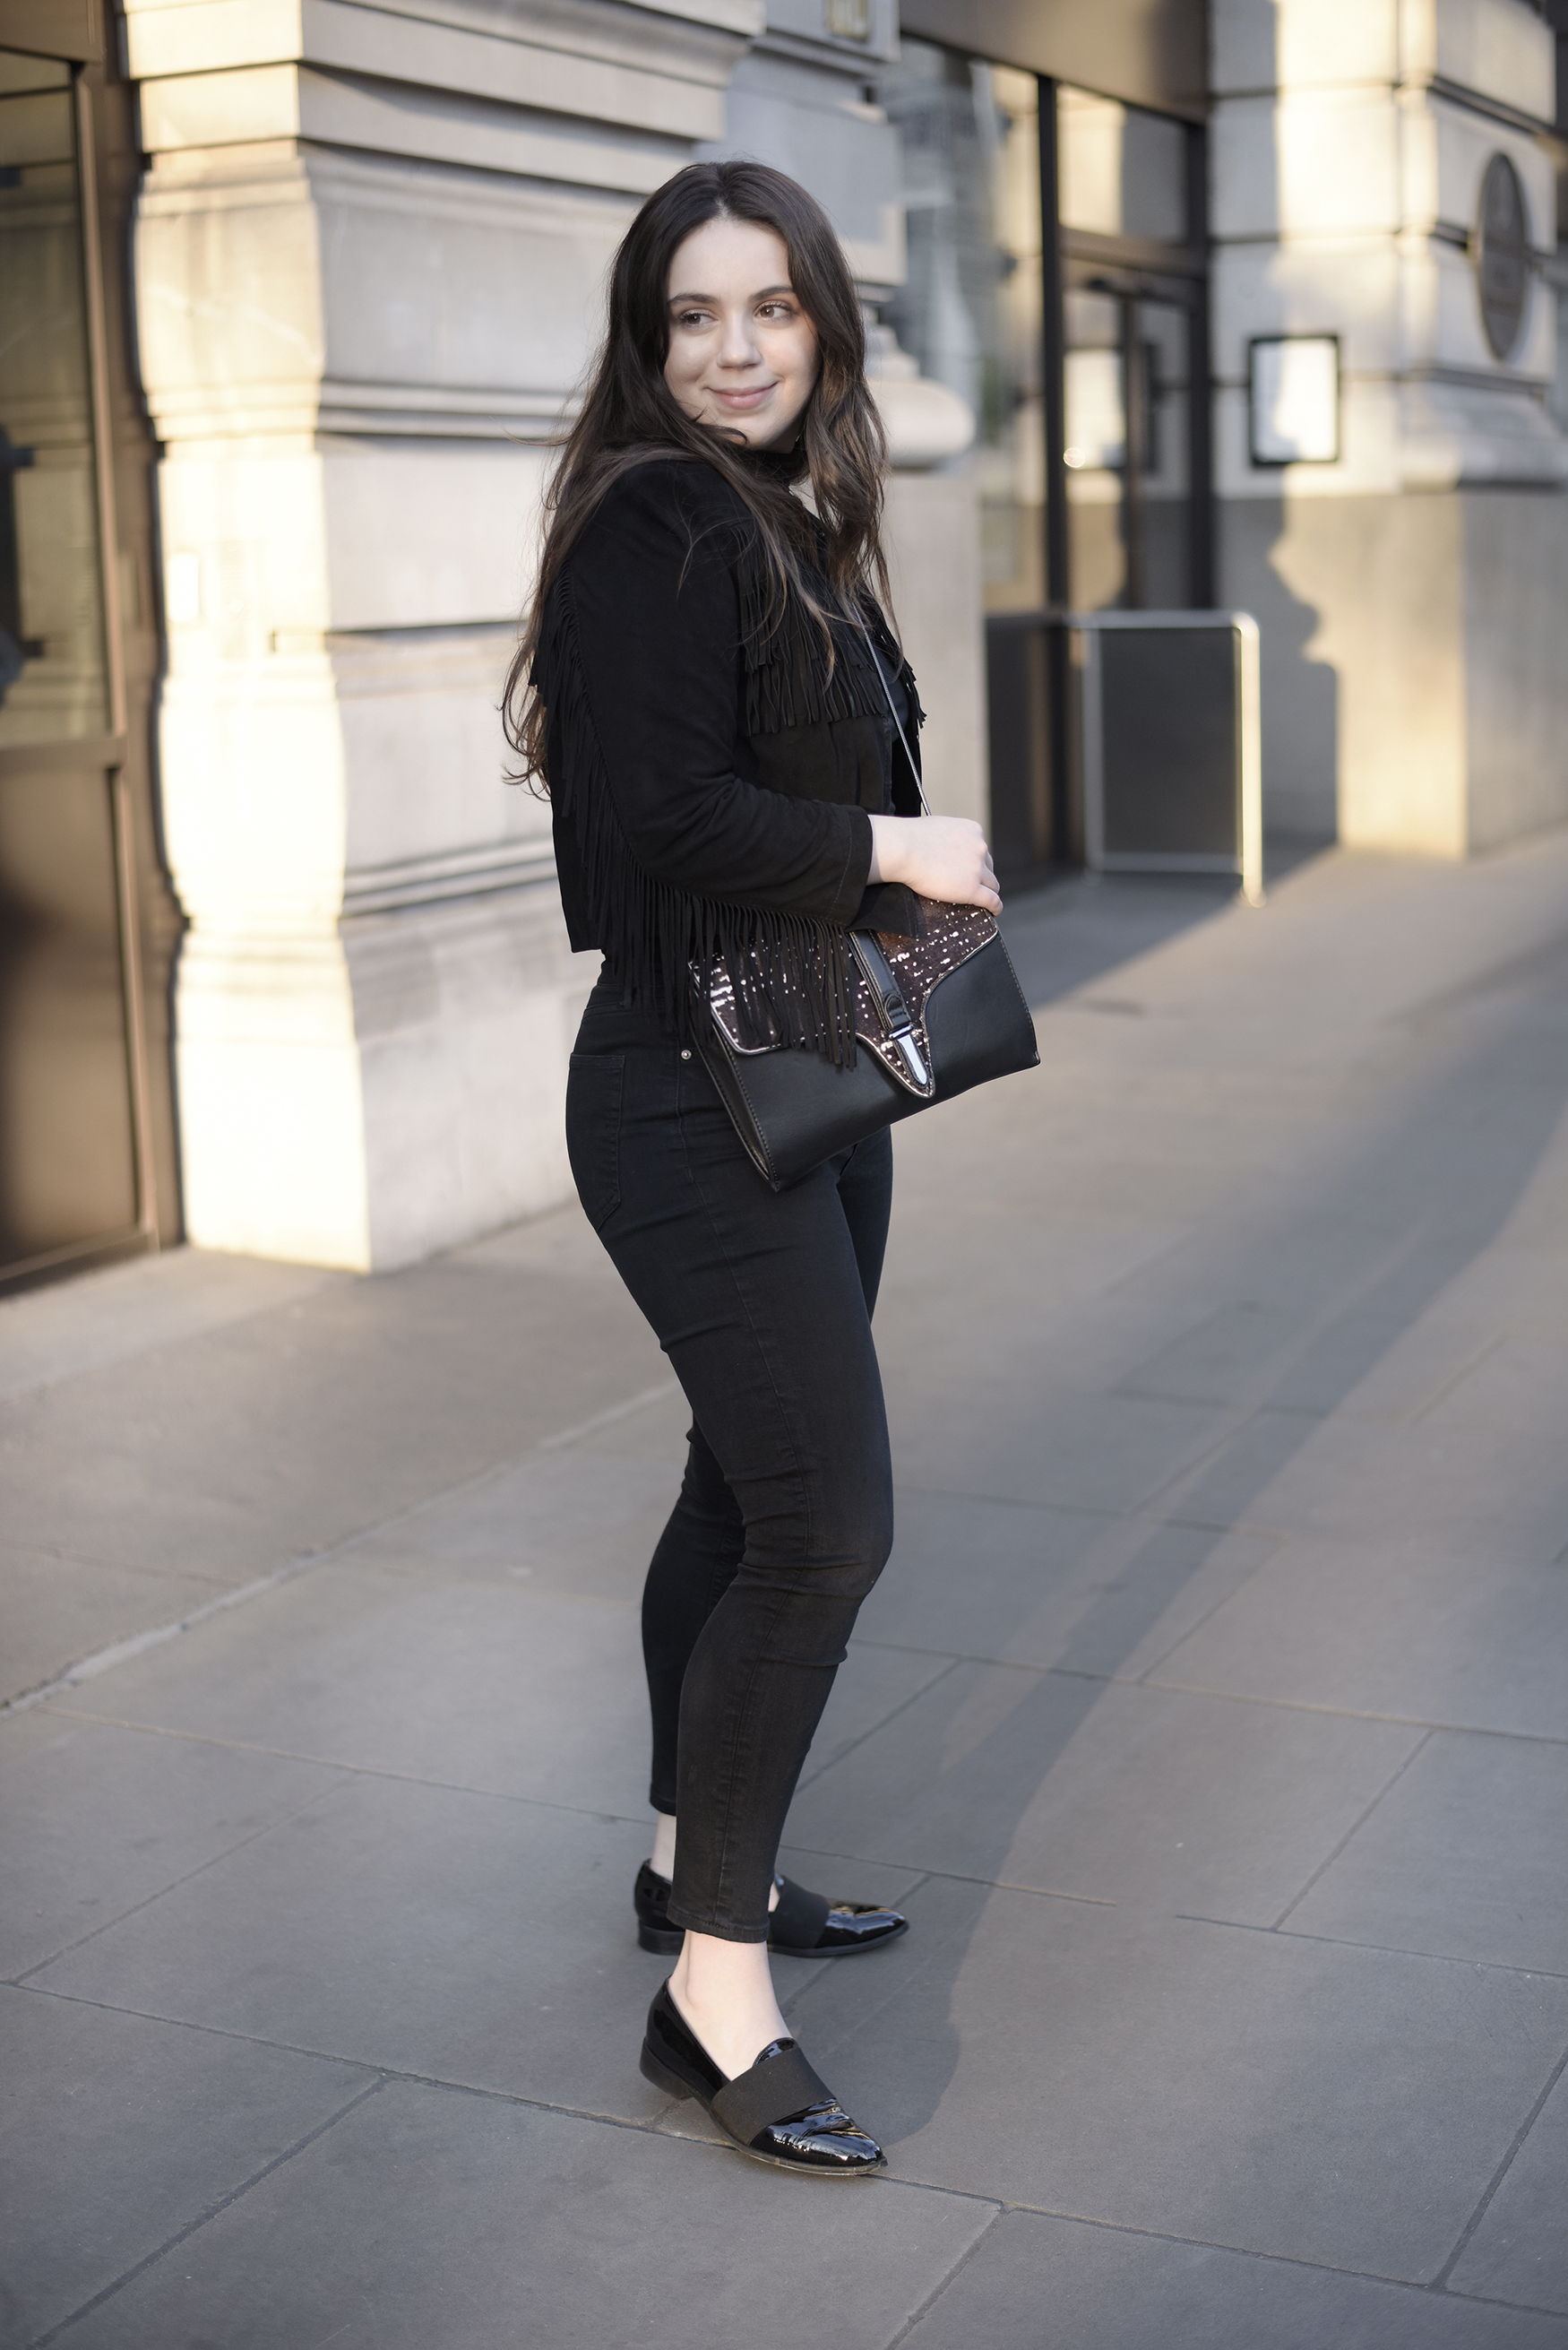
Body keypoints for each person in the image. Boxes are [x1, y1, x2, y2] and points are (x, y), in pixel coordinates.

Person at [504, 160, 1000, 2178]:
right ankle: (712, 1996)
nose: (733, 350)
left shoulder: (785, 515)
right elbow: (662, 813)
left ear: (822, 326)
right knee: (824, 1528)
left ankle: (677, 1858)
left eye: (769, 308)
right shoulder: (654, 520)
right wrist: (899, 848)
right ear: (649, 338)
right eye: (694, 315)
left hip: (799, 1065)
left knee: (741, 1483)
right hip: (681, 1089)